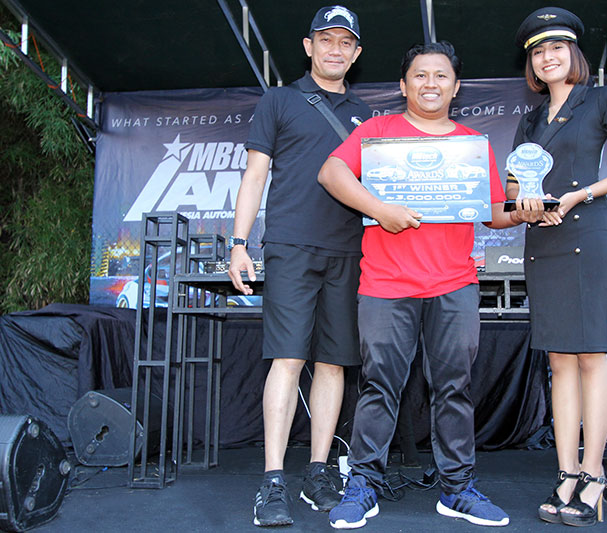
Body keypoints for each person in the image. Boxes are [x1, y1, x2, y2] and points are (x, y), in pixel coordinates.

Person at [317, 41, 542, 529]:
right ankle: (363, 485)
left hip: (454, 283)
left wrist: (526, 210)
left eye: (441, 75)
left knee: (454, 388)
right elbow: (331, 172)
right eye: (420, 75)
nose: (431, 83)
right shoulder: (378, 132)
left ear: (456, 87)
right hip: (386, 284)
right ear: (403, 85)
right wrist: (379, 209)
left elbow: (495, 212)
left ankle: (458, 489)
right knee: (379, 386)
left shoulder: (472, 144)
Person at [227, 5, 371, 527]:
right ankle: (272, 480)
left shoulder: (367, 116)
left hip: (350, 251)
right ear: (308, 46)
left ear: (356, 53)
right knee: (287, 360)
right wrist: (239, 243)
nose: (335, 49)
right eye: (325, 39)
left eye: (345, 42)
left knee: (333, 363)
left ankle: (317, 471)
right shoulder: (279, 100)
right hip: (290, 246)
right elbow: (254, 175)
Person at [508, 7, 607, 527]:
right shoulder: (530, 120)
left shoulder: (601, 99)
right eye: (537, 51)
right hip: (543, 241)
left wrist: (579, 195)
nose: (547, 57)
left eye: (556, 48)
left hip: (586, 235)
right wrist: (523, 205)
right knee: (559, 362)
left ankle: (594, 474)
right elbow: (514, 189)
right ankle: (566, 471)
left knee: (591, 355)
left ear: (573, 53)